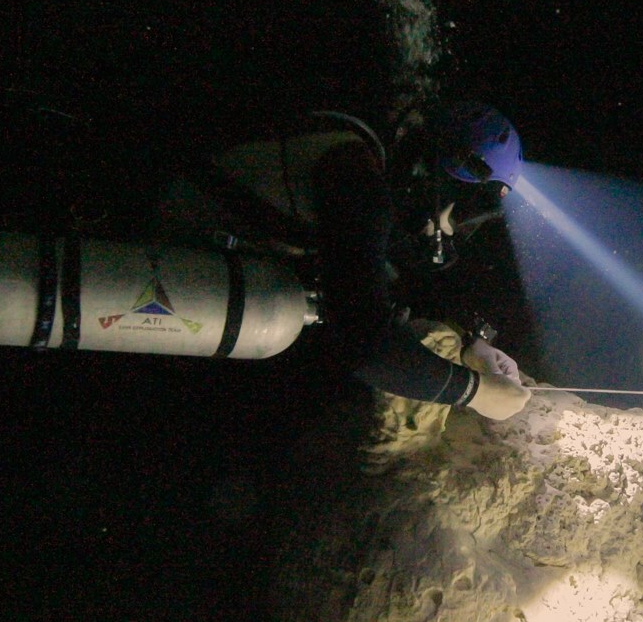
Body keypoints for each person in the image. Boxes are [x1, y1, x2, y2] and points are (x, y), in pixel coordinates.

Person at [206, 101, 533, 421]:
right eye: (461, 210)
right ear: (439, 175)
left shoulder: (367, 159)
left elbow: (397, 280)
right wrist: (478, 393)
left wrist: (474, 344)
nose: (449, 228)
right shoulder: (355, 183)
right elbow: (364, 343)